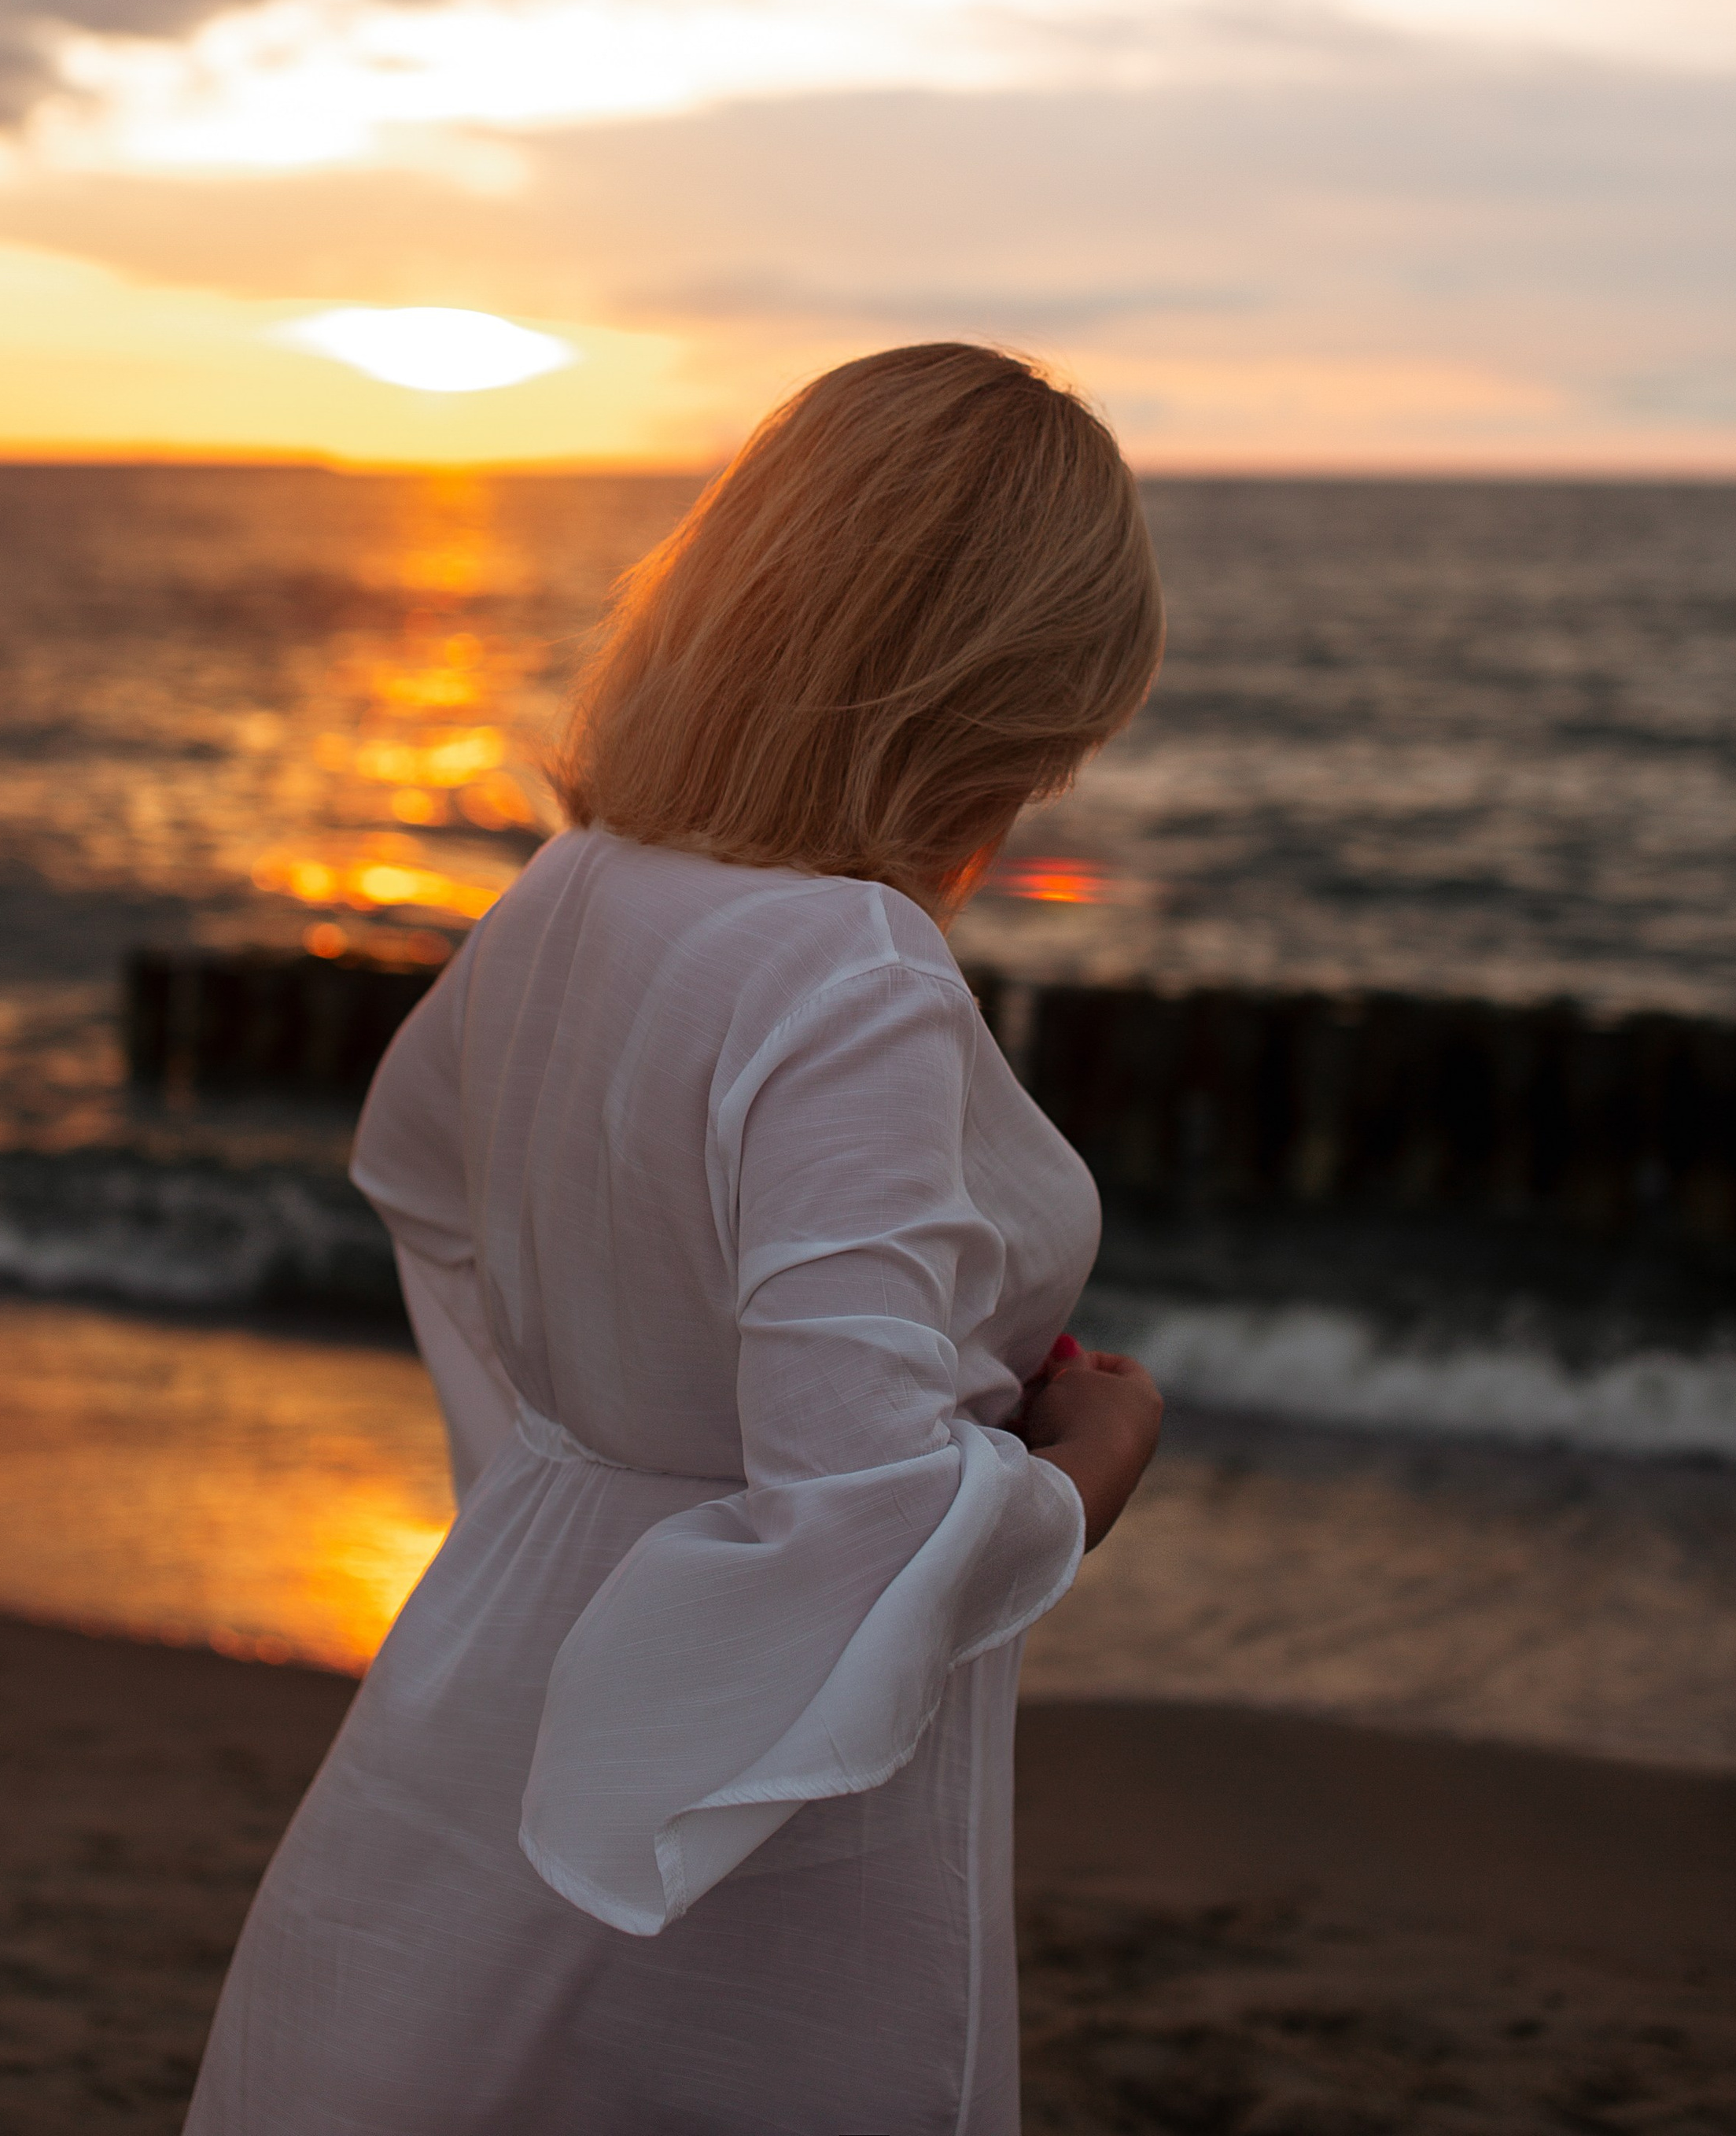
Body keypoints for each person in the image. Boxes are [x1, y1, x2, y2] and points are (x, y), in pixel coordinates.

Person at [186, 341, 1168, 2136]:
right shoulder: (850, 973)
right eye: (1056, 732)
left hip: (503, 1649)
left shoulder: (576, 888)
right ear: (999, 701)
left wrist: (559, 1459)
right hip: (771, 1751)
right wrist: (1082, 1474)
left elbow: (419, 1184)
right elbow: (853, 1503)